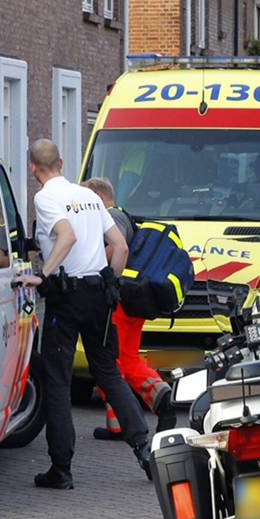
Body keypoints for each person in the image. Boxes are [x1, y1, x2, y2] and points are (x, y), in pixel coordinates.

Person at [28, 139, 151, 490]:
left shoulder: (45, 198)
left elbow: (64, 238)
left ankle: (61, 469)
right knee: (109, 374)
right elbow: (121, 246)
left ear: (33, 168)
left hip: (66, 300)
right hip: (99, 295)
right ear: (62, 162)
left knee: (58, 380)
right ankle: (144, 450)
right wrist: (111, 281)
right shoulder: (90, 196)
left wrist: (44, 275)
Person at [80, 177, 175, 440]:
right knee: (127, 359)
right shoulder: (122, 215)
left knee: (113, 363)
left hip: (120, 301)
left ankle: (132, 417)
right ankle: (156, 400)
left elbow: (114, 250)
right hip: (132, 300)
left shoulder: (111, 217)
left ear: (98, 196)